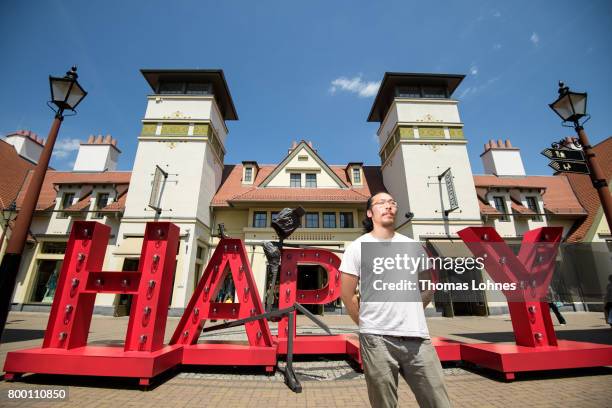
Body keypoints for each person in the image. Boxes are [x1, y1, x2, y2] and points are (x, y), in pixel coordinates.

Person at [340, 192, 451, 408]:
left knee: (438, 401)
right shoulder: (357, 247)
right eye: (381, 203)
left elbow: (427, 285)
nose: (388, 206)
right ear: (370, 213)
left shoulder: (413, 247)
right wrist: (366, 324)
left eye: (392, 202)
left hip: (418, 339)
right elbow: (347, 293)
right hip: (377, 340)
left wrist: (412, 312)